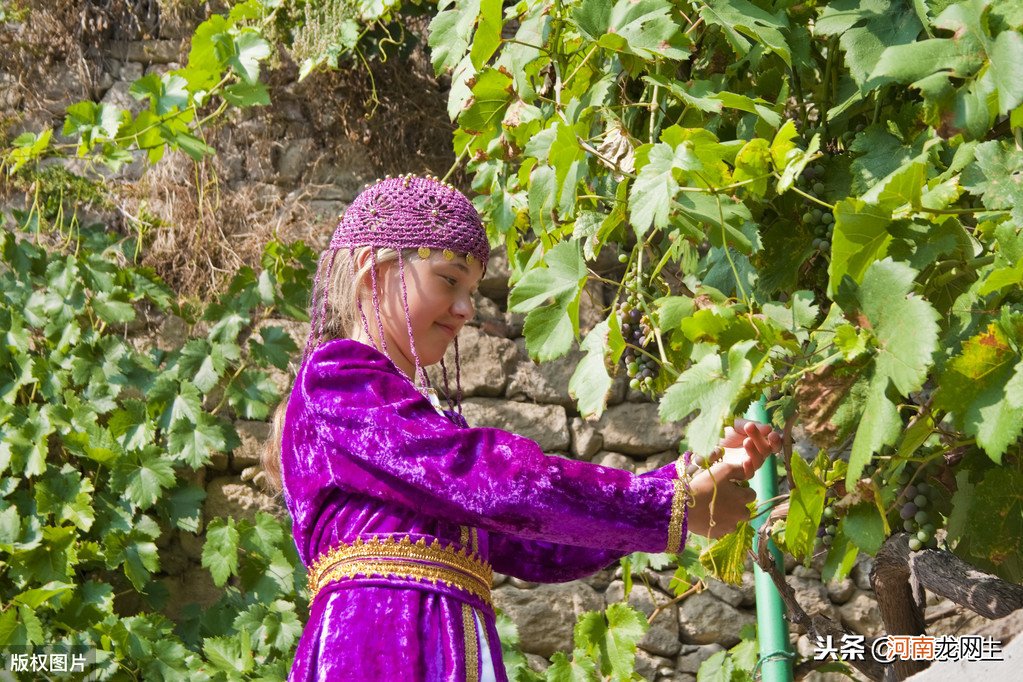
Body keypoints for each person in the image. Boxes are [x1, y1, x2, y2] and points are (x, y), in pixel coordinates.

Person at [262, 175, 782, 682]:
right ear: (372, 270)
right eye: (450, 279)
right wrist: (668, 498)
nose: (466, 309)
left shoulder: (416, 417)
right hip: (374, 649)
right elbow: (498, 483)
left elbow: (539, 546)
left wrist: (684, 490)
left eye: (470, 288)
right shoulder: (338, 379)